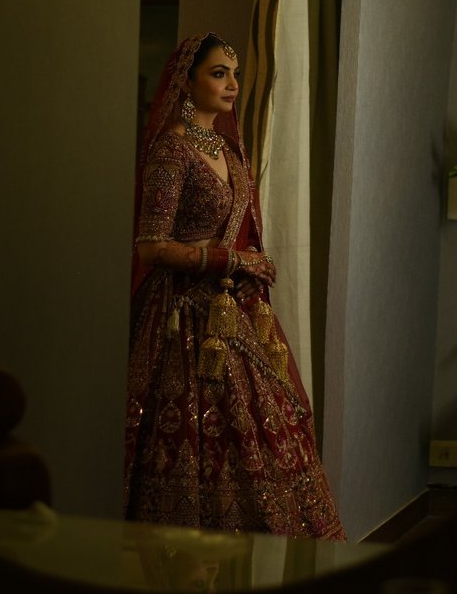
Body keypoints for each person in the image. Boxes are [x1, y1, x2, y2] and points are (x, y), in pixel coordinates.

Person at [124, 32, 344, 540]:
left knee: (271, 421)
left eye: (235, 73)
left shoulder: (225, 146)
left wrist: (248, 266)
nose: (232, 84)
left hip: (230, 309)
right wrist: (232, 258)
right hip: (182, 319)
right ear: (186, 80)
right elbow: (151, 247)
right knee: (198, 438)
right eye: (218, 73)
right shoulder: (172, 152)